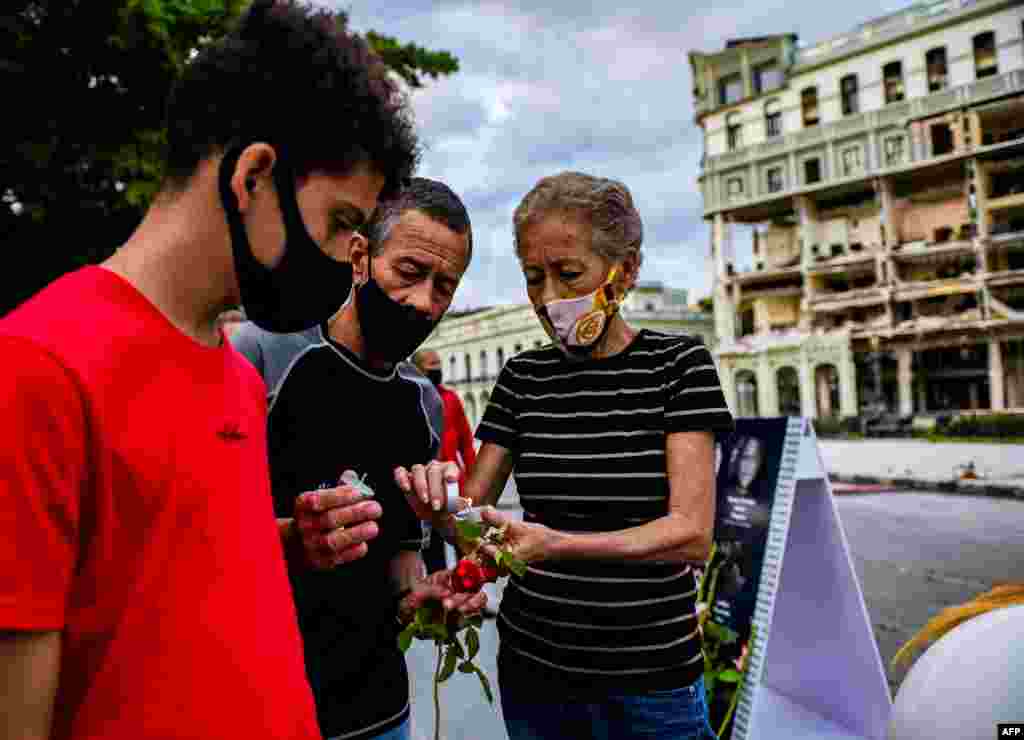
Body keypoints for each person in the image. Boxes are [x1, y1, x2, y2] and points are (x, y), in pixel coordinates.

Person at [0, 2, 418, 737]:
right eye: (342, 223)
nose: (352, 261)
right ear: (252, 177)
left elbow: (152, 583)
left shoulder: (237, 376)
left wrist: (287, 540)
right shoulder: (35, 368)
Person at [396, 171, 735, 739]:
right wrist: (438, 507)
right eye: (533, 278)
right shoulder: (522, 379)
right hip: (537, 677)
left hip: (650, 680)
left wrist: (556, 544)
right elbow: (471, 524)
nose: (548, 298)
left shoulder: (680, 369)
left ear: (623, 273)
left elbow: (692, 534)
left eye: (567, 274)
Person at [240, 178, 485, 740]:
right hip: (265, 708)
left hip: (380, 712)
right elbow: (184, 533)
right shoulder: (261, 357)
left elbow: (401, 563)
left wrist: (421, 601)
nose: (424, 302)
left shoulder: (421, 402)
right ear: (360, 258)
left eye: (445, 286)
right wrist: (289, 537)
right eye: (409, 272)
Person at [411, 349, 477, 574]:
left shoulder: (451, 398)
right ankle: (441, 601)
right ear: (418, 369)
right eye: (431, 365)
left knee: (467, 543)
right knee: (433, 550)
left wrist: (473, 481)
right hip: (428, 488)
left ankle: (469, 596)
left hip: (457, 485)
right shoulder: (411, 400)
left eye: (439, 365)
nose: (437, 370)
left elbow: (466, 443)